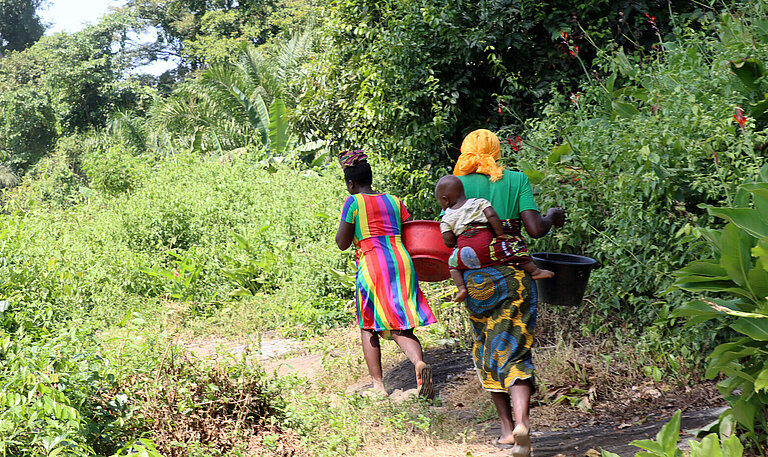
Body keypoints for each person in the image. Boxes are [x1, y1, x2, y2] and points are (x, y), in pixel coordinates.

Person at [452, 129, 565, 457]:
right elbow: (535, 229)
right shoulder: (515, 180)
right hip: (514, 278)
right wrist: (552, 218)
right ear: (497, 151)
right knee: (514, 348)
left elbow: (448, 233)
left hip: (476, 283)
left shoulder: (455, 184)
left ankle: (504, 430)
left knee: (487, 348)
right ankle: (522, 426)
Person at [335, 149, 437, 399]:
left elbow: (342, 242)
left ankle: (379, 387)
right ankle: (419, 365)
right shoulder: (394, 200)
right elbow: (414, 232)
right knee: (401, 323)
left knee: (368, 326)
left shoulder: (353, 202)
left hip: (373, 264)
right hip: (401, 262)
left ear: (351, 183)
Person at [435, 175, 554, 302]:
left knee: (452, 264)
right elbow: (535, 229)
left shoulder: (448, 211)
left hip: (473, 279)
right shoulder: (517, 180)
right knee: (514, 251)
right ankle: (535, 272)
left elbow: (448, 240)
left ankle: (461, 288)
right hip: (506, 269)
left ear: (445, 200)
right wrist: (500, 234)